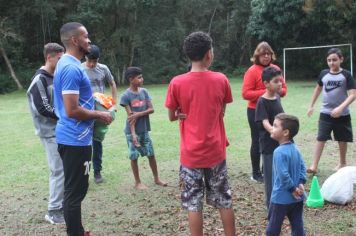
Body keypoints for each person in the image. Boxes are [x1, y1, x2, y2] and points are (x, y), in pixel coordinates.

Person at [165, 31, 235, 236]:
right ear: (209, 54)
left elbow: (171, 116)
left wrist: (179, 113)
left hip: (190, 154)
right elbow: (222, 110)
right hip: (215, 151)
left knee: (193, 203)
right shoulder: (221, 79)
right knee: (224, 199)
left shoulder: (176, 82)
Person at [53, 22, 113, 236]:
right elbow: (71, 109)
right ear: (75, 40)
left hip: (77, 137)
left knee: (77, 190)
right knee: (74, 193)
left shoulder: (69, 64)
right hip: (74, 138)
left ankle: (77, 231)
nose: (89, 40)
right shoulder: (70, 67)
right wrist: (100, 114)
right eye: (86, 36)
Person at [27, 43, 65, 224]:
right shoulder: (39, 80)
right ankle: (53, 210)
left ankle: (63, 204)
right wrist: (66, 115)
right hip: (49, 133)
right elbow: (42, 108)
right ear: (49, 57)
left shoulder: (55, 77)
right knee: (57, 170)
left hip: (61, 130)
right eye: (59, 58)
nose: (61, 61)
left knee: (65, 169)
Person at [242, 42, 287, 183]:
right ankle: (256, 173)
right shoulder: (252, 71)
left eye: (268, 53)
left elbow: (284, 90)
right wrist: (267, 91)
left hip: (274, 109)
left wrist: (277, 90)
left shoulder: (276, 69)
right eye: (263, 54)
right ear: (257, 55)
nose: (266, 56)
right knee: (257, 140)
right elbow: (245, 93)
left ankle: (267, 168)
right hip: (255, 110)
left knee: (274, 139)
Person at [307, 48, 356, 174]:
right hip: (325, 113)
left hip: (342, 114)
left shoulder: (346, 75)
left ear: (341, 59)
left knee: (342, 139)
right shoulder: (323, 74)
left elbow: (352, 94)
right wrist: (311, 105)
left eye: (334, 60)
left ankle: (342, 162)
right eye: (329, 60)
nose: (331, 63)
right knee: (321, 137)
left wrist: (341, 108)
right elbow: (317, 89)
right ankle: (314, 165)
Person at [119, 66, 167, 190]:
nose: (142, 79)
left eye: (141, 77)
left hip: (144, 130)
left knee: (151, 154)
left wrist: (139, 113)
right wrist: (134, 135)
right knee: (134, 157)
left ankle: (157, 178)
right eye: (139, 77)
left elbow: (152, 109)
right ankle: (137, 182)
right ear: (131, 79)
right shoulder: (126, 96)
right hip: (132, 132)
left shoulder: (144, 92)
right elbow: (131, 117)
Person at [266, 113, 306, 236]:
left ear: (285, 132)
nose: (272, 128)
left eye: (275, 125)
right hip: (297, 198)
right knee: (297, 226)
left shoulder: (278, 152)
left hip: (280, 198)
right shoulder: (295, 149)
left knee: (273, 228)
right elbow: (302, 168)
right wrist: (300, 183)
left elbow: (283, 174)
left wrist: (292, 188)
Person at [82, 44, 117, 184]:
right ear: (85, 57)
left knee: (97, 142)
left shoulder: (103, 69)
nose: (92, 64)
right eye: (90, 60)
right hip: (85, 111)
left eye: (94, 61)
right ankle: (84, 175)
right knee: (84, 144)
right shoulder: (79, 69)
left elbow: (112, 83)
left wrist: (113, 104)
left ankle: (97, 172)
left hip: (101, 110)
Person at [255, 66, 284, 209]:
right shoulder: (262, 101)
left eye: (280, 80)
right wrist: (274, 131)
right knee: (270, 177)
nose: (280, 84)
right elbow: (264, 121)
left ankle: (281, 202)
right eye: (276, 81)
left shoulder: (277, 97)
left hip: (281, 143)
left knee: (281, 173)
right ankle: (271, 207)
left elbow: (281, 118)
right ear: (266, 83)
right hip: (268, 145)